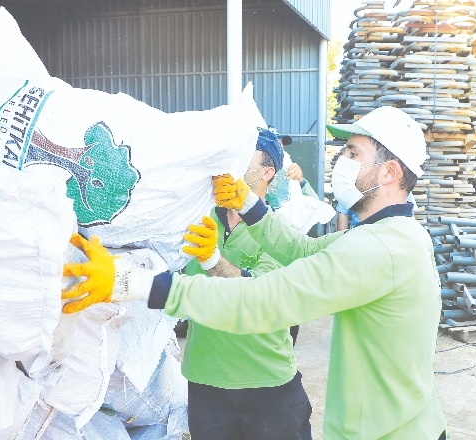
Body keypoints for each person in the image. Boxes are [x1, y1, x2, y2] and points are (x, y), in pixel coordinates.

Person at [62, 106, 447, 439]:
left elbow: (263, 300)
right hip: (401, 424)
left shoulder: (376, 248)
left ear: (389, 173)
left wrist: (129, 281)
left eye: (352, 152)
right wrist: (249, 204)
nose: (339, 161)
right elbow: (304, 250)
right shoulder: (395, 235)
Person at [178, 127, 312, 440]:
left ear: (267, 172)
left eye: (242, 159)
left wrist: (212, 260)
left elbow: (256, 294)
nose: (231, 166)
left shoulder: (281, 231)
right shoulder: (198, 219)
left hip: (266, 382)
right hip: (205, 380)